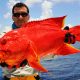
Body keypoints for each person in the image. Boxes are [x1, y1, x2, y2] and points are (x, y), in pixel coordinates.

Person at [2, 2, 41, 80]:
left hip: (33, 77)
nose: (20, 17)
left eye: (23, 14)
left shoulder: (38, 35)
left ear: (28, 16)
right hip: (11, 78)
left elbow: (49, 54)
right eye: (16, 15)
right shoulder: (3, 36)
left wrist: (62, 41)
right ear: (12, 17)